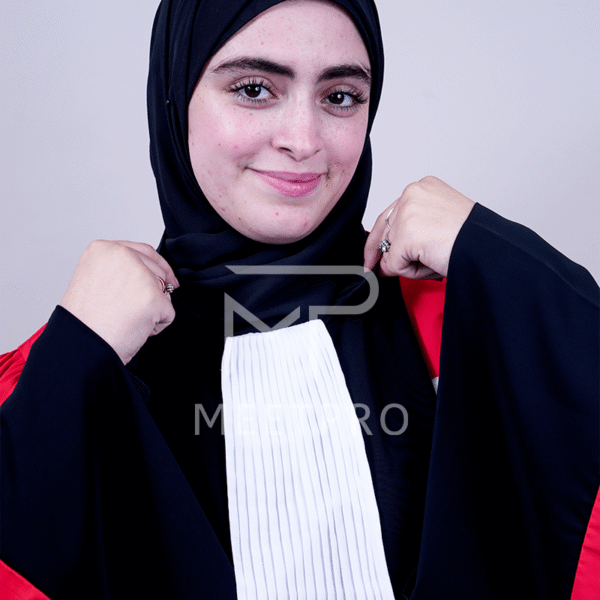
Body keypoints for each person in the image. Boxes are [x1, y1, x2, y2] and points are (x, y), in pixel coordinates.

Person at [1, 0, 598, 598]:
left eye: (340, 96)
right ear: (174, 98)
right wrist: (72, 364)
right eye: (254, 89)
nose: (304, 141)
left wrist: (503, 258)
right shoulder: (83, 362)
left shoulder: (452, 322)